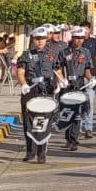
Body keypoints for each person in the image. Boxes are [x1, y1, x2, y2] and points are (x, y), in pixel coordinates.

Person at [15, 25, 63, 163]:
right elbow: (20, 72)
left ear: (46, 39)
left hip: (46, 90)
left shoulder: (52, 53)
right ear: (33, 39)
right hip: (30, 90)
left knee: (44, 121)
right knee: (28, 122)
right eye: (37, 39)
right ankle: (30, 152)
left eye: (42, 38)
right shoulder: (26, 54)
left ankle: (41, 153)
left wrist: (61, 82)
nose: (40, 41)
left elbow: (57, 70)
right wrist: (23, 84)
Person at [61, 27, 96, 139]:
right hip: (67, 85)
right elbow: (59, 68)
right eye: (77, 38)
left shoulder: (86, 53)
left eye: (81, 38)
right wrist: (61, 80)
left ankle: (74, 138)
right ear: (72, 38)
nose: (79, 40)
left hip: (80, 84)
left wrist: (91, 78)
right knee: (68, 112)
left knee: (78, 113)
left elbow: (87, 70)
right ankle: (68, 137)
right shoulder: (65, 52)